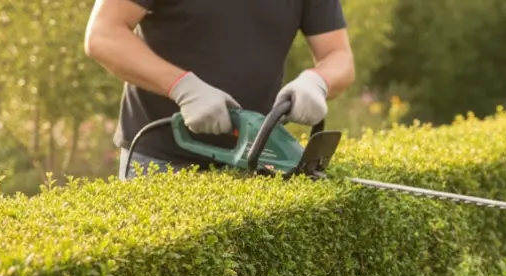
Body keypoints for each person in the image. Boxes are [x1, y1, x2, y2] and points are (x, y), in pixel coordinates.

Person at [84, 0, 355, 180]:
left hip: (255, 161)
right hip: (160, 161)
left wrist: (318, 81)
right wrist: (181, 86)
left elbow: (338, 55)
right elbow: (104, 34)